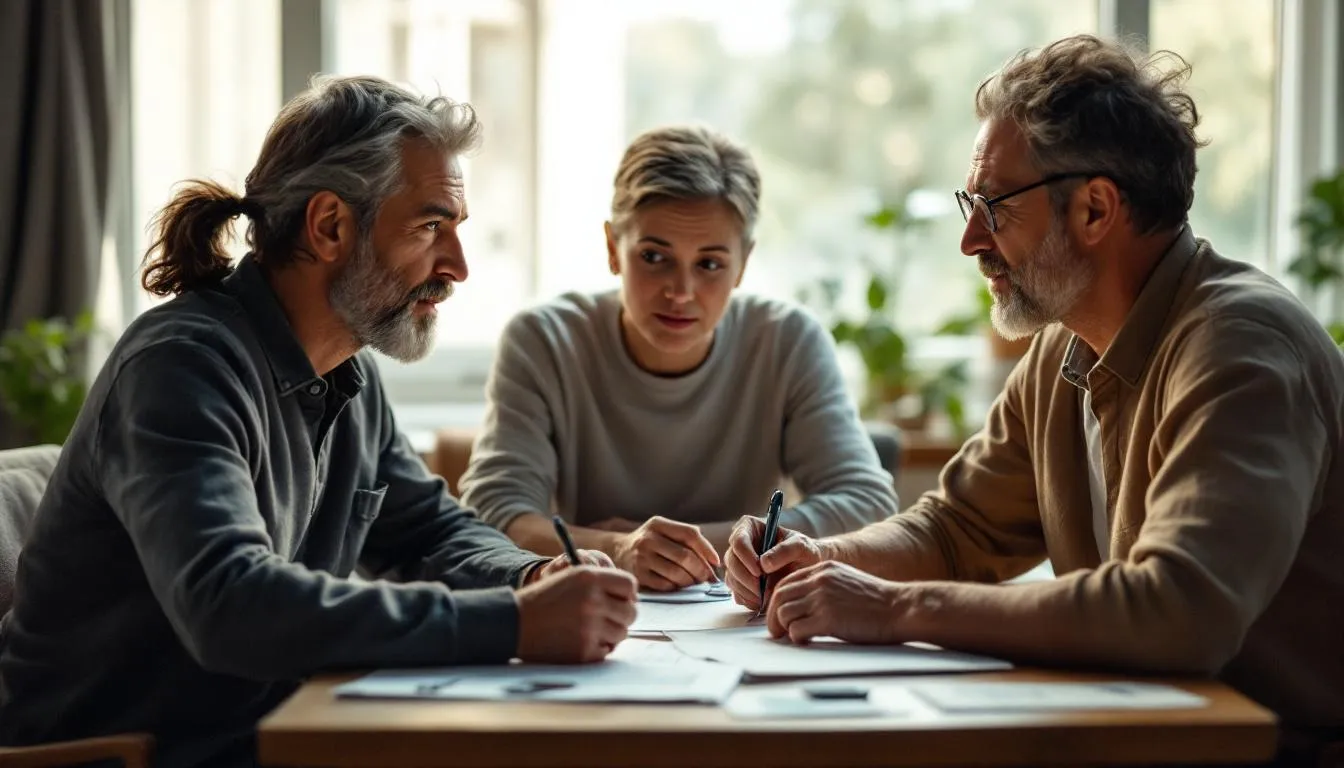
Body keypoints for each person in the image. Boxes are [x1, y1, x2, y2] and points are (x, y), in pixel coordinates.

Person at [726, 35, 1344, 762]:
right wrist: (819, 558)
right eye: (971, 204)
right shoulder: (1065, 347)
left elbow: (1177, 611)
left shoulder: (1241, 347)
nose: (969, 239)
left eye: (993, 206)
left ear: (1095, 210)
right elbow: (956, 531)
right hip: (1142, 736)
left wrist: (894, 606)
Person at [0, 75, 637, 768]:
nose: (457, 267)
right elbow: (229, 605)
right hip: (124, 755)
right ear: (330, 225)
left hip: (261, 734)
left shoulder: (345, 369)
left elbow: (425, 529)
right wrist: (513, 623)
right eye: (431, 227)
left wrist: (529, 575)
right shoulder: (180, 368)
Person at [459, 125, 899, 591]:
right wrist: (620, 550)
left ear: (742, 265)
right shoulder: (544, 341)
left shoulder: (788, 342)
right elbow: (493, 512)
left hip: (741, 611)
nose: (681, 292)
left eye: (709, 264)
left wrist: (677, 546)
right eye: (654, 257)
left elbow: (867, 502)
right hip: (600, 605)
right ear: (613, 249)